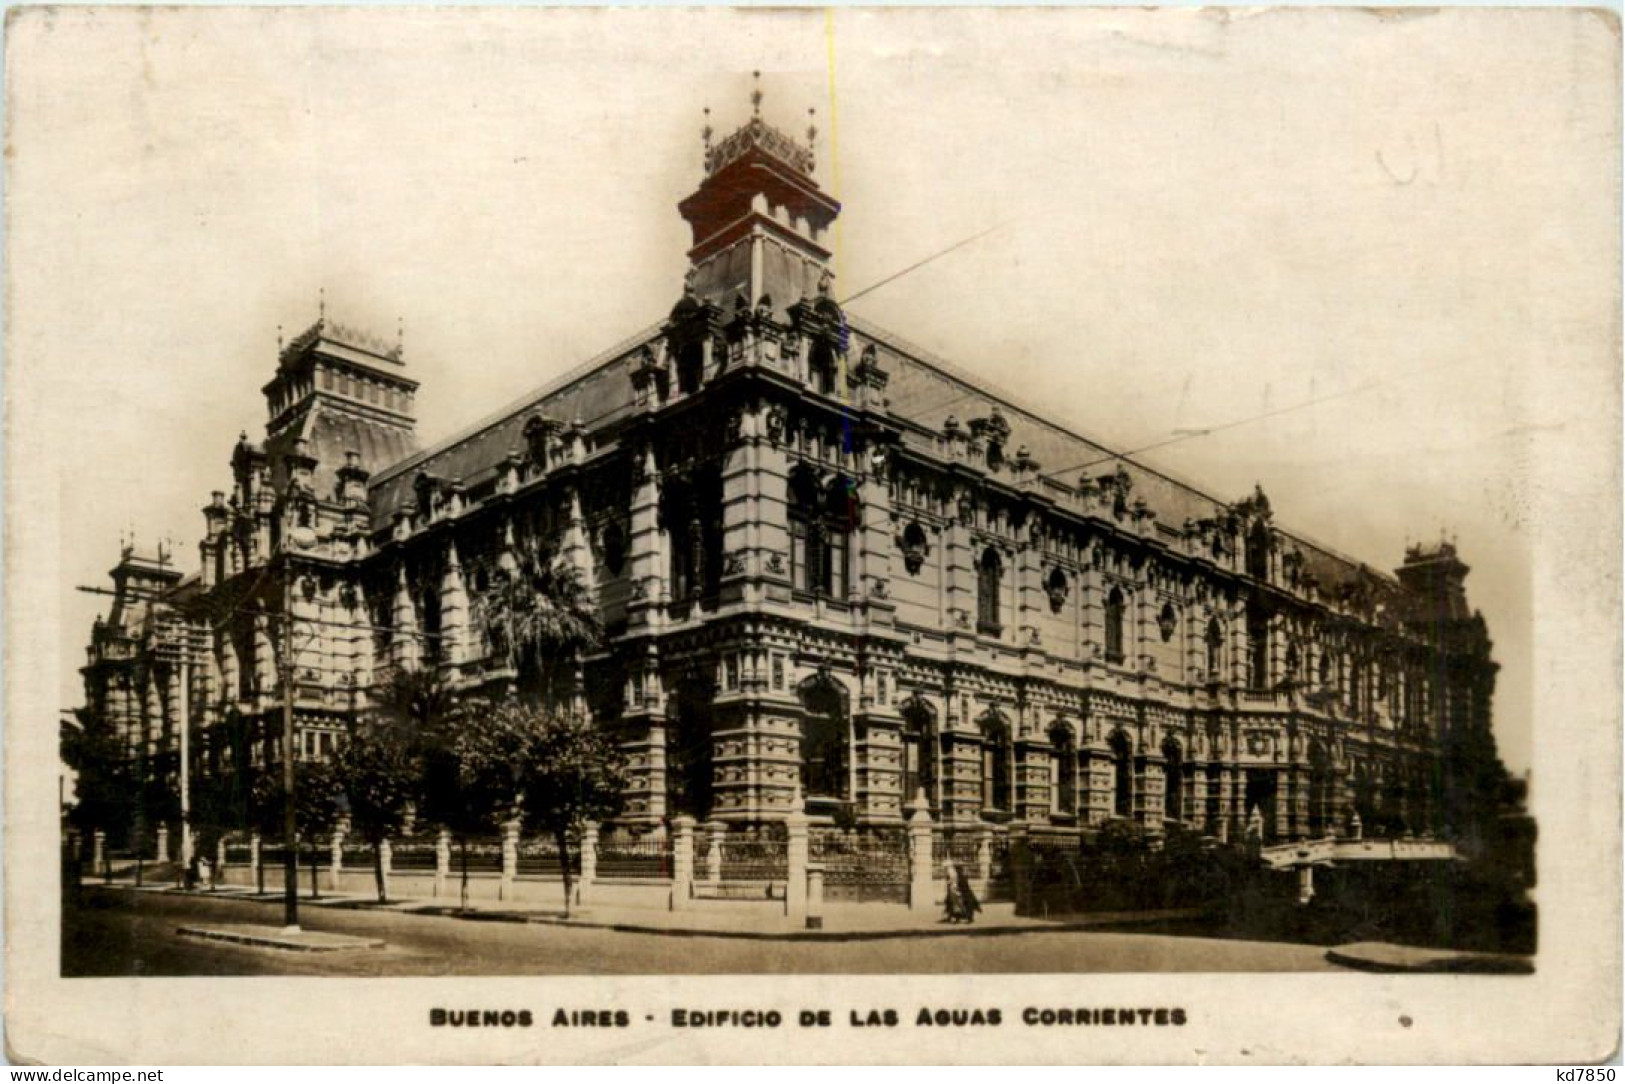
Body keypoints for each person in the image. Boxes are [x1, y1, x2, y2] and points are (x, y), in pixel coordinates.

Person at [942, 859, 983, 924]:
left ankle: (966, 918)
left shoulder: (955, 873)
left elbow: (955, 882)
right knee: (957, 904)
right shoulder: (955, 873)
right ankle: (956, 917)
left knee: (961, 904)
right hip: (958, 891)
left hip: (961, 891)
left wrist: (954, 887)